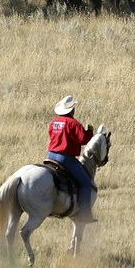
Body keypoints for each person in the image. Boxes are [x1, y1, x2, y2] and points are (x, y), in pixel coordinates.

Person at [47, 95, 97, 223]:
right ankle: (84, 214)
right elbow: (84, 140)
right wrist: (90, 131)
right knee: (85, 183)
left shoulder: (54, 122)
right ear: (72, 110)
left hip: (51, 155)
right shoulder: (73, 123)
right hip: (65, 158)